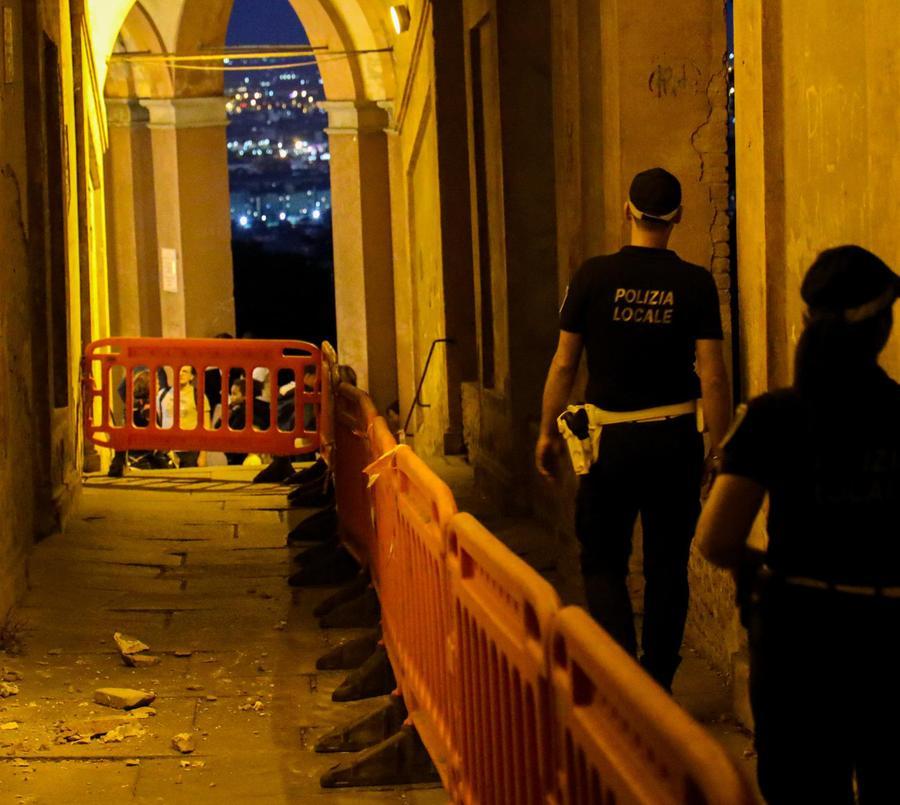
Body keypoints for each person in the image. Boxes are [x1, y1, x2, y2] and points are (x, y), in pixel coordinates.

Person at [696, 245, 900, 803]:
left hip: (797, 637)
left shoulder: (773, 417)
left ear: (806, 320)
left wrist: (754, 563)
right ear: (882, 327)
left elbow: (715, 539)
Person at [535, 167, 731, 691]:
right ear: (679, 217)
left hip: (609, 445)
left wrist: (547, 432)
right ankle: (659, 681)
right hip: (675, 441)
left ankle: (625, 682)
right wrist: (721, 445)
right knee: (668, 567)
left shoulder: (593, 276)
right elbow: (712, 373)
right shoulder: (695, 284)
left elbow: (563, 365)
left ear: (628, 210)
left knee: (602, 560)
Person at [159, 365, 211, 468]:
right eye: (178, 370)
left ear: (191, 377)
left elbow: (207, 427)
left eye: (185, 371)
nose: (180, 374)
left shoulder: (199, 396)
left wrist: (203, 455)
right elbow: (159, 421)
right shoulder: (162, 395)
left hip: (191, 452)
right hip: (168, 453)